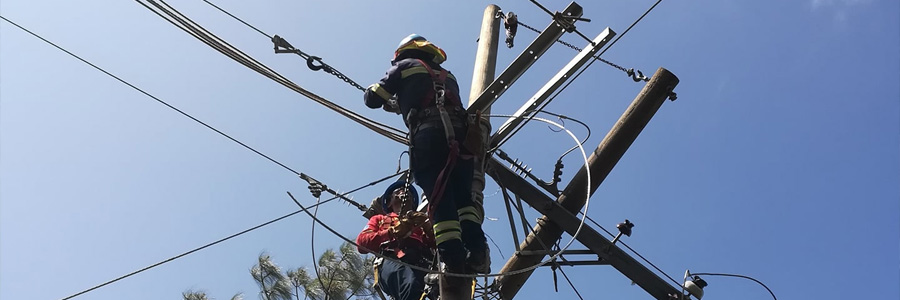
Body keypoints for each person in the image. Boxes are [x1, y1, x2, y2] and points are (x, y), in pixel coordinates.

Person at [363, 34, 489, 276]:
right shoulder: (448, 76)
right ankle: (477, 249)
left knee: (439, 197)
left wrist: (374, 91)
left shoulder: (403, 66)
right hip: (462, 138)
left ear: (402, 53)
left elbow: (373, 98)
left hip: (428, 135)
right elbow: (431, 96)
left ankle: (452, 256)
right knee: (463, 198)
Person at [357, 181, 434, 300]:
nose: (404, 191)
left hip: (421, 262)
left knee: (444, 288)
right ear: (389, 203)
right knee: (409, 286)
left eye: (406, 191)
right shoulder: (380, 219)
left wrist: (428, 228)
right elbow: (362, 243)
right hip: (392, 259)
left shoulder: (419, 223)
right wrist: (391, 232)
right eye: (398, 191)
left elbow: (439, 247)